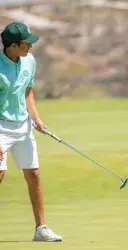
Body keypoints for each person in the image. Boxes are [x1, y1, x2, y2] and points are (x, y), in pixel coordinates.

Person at [0, 22, 62, 242]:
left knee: (34, 174)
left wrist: (36, 118)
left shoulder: (29, 61)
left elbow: (28, 92)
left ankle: (41, 229)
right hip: (0, 127)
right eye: (27, 43)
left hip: (23, 126)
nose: (31, 47)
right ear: (14, 45)